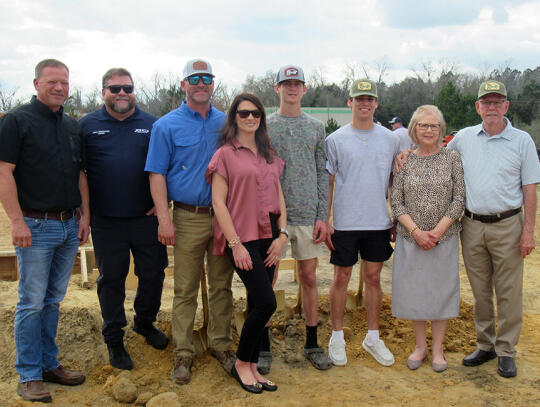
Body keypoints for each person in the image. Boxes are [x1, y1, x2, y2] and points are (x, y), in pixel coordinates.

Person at [0, 59, 89, 403]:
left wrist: (85, 216)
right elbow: (4, 172)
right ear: (36, 83)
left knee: (52, 301)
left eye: (64, 82)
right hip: (35, 227)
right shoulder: (16, 122)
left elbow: (81, 174)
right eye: (52, 82)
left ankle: (50, 364)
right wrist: (16, 220)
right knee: (31, 303)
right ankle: (29, 374)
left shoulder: (70, 125)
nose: (59, 88)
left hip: (68, 225)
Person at [145, 59, 235, 384]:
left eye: (207, 78)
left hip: (222, 217)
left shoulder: (227, 123)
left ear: (213, 84)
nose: (201, 83)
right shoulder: (166, 126)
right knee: (184, 289)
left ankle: (221, 344)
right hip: (186, 217)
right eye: (194, 78)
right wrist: (164, 219)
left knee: (221, 285)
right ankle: (183, 352)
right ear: (183, 84)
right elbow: (157, 175)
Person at [79, 68, 169, 371]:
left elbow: (165, 168)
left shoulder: (152, 125)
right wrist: (86, 213)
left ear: (134, 91)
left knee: (154, 273)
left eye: (127, 88)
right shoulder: (87, 126)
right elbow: (80, 174)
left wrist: (162, 204)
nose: (121, 94)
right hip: (106, 221)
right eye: (114, 88)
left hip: (146, 217)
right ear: (103, 91)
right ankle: (114, 337)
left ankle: (144, 322)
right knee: (111, 279)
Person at [449, 80, 540, 378]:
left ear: (506, 106)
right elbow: (436, 157)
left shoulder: (522, 141)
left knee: (509, 292)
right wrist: (406, 154)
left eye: (496, 102)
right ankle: (485, 344)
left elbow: (530, 188)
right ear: (477, 107)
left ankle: (506, 350)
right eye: (485, 102)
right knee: (480, 291)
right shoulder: (463, 138)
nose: (491, 107)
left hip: (508, 226)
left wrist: (528, 231)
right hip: (472, 225)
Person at [206, 93, 287, 393]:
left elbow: (279, 198)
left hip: (269, 236)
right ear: (234, 118)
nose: (250, 118)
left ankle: (253, 366)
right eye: (244, 114)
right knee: (267, 302)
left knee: (257, 302)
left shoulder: (268, 153)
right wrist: (235, 244)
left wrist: (283, 236)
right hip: (241, 238)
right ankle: (242, 363)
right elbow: (218, 202)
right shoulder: (225, 154)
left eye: (256, 113)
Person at [261, 65, 332, 372]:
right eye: (286, 83)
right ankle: (261, 346)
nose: (292, 88)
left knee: (309, 278)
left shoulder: (316, 127)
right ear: (277, 89)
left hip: (306, 215)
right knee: (268, 279)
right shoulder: (264, 125)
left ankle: (312, 342)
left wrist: (322, 216)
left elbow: (321, 172)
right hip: (273, 216)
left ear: (304, 89)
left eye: (297, 83)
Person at [325, 78, 399, 367]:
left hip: (377, 222)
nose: (364, 103)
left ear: (376, 103)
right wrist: (326, 218)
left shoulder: (391, 139)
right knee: (340, 278)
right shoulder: (336, 140)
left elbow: (395, 181)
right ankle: (336, 336)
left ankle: (372, 336)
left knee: (373, 278)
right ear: (350, 103)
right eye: (359, 99)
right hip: (344, 223)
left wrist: (396, 215)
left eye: (369, 99)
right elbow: (329, 182)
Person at [391, 105, 465, 373]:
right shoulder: (404, 160)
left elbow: (459, 199)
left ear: (441, 129)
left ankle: (438, 349)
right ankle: (420, 346)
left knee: (440, 293)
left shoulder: (452, 158)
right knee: (416, 293)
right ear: (414, 129)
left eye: (434, 125)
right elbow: (396, 203)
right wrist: (417, 232)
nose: (429, 130)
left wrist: (437, 231)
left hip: (443, 239)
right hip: (411, 239)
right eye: (423, 125)